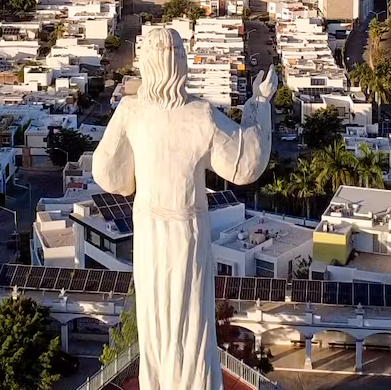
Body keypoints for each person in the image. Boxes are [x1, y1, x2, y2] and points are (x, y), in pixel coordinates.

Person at [94, 28, 276, 390]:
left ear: (145, 63)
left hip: (148, 232)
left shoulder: (131, 112)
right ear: (182, 64)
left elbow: (110, 175)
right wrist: (259, 103)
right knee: (190, 322)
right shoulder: (200, 116)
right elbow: (245, 164)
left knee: (155, 320)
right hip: (186, 235)